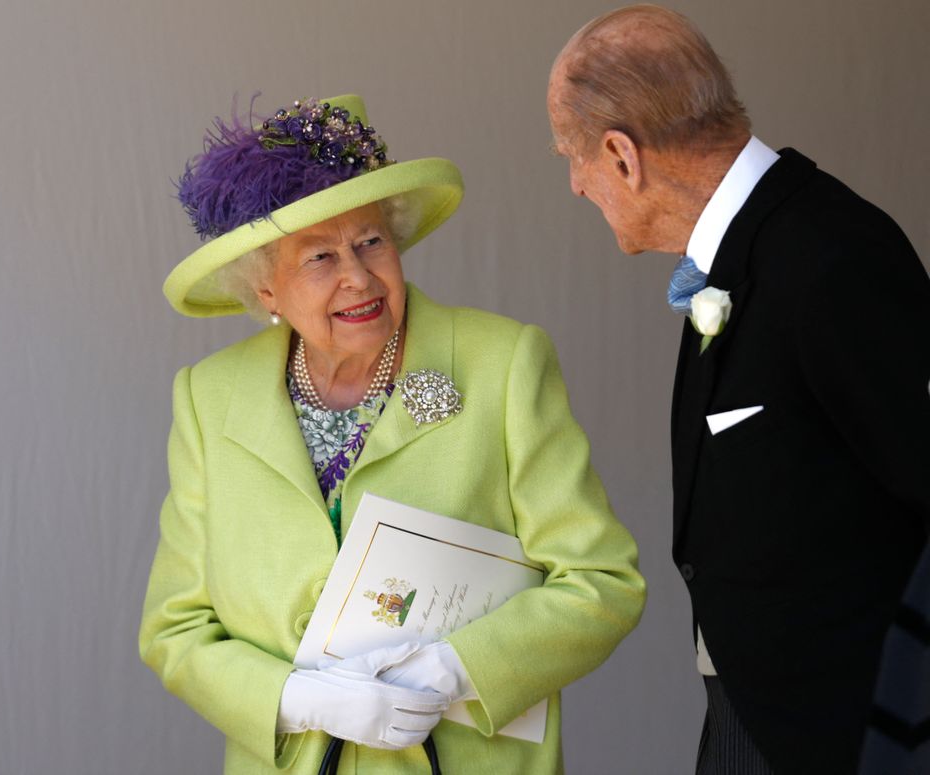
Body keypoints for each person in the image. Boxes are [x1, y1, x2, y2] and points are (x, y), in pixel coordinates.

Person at [139, 93, 645, 775]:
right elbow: (175, 629)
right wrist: (298, 699)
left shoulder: (502, 363)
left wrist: (456, 668)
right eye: (319, 256)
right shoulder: (209, 397)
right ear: (266, 292)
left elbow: (603, 580)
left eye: (370, 241)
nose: (358, 277)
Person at [547, 6, 930, 774]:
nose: (575, 186)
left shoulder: (830, 255)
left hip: (841, 733)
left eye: (572, 156)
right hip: (756, 715)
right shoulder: (746, 251)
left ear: (622, 155)